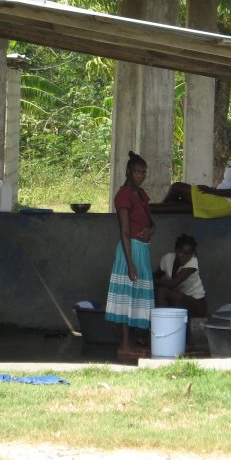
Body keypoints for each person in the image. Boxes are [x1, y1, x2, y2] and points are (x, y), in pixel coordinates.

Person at [104, 151, 155, 358]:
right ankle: (124, 344)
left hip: (142, 251)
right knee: (126, 298)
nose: (140, 176)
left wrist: (150, 232)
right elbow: (124, 231)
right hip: (130, 251)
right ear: (128, 172)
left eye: (143, 172)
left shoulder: (141, 195)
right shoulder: (123, 195)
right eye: (137, 172)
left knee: (135, 298)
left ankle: (130, 343)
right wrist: (130, 263)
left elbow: (152, 224)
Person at [155, 129, 231, 218]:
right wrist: (211, 190)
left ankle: (153, 216)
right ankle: (147, 213)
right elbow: (228, 185)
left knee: (176, 187)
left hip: (224, 203)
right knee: (175, 206)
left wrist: (211, 191)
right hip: (219, 199)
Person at [154, 234, 207, 317]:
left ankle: (165, 325)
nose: (182, 255)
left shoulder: (192, 263)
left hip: (197, 304)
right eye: (180, 251)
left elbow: (173, 283)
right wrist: (149, 280)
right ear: (175, 249)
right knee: (155, 289)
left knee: (162, 291)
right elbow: (156, 276)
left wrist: (149, 280)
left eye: (187, 254)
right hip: (179, 300)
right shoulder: (167, 258)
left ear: (192, 254)